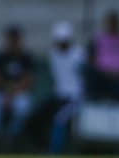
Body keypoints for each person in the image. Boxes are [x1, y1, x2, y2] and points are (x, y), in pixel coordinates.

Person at [28, 21, 84, 153]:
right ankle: (42, 147)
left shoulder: (79, 55)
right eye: (59, 41)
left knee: (59, 118)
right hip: (58, 96)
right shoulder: (53, 54)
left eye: (64, 41)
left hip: (74, 98)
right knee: (35, 117)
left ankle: (54, 152)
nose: (61, 44)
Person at [0, 25, 35, 149]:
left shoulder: (26, 58)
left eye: (16, 39)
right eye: (11, 39)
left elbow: (28, 82)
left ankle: (11, 137)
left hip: (19, 94)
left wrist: (11, 92)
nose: (14, 42)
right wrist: (8, 90)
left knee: (24, 107)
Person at [86, 10, 119, 101]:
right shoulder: (99, 39)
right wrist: (105, 71)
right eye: (110, 23)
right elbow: (92, 58)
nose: (113, 25)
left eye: (115, 23)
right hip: (102, 74)